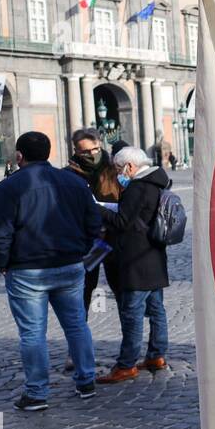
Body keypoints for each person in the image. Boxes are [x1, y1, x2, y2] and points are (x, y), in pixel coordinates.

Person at [0, 131, 103, 410]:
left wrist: (0, 262)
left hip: (27, 270)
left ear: (19, 156)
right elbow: (94, 223)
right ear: (49, 153)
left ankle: (37, 393)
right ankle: (86, 381)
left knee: (32, 333)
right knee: (76, 324)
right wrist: (80, 250)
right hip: (70, 265)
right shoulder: (75, 182)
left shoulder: (9, 187)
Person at [99, 147, 172, 383]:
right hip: (154, 255)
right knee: (156, 309)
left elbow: (122, 222)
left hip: (136, 259)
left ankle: (126, 364)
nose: (118, 174)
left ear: (130, 167)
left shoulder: (138, 187)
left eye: (119, 169)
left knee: (132, 313)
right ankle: (156, 355)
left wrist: (98, 209)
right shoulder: (158, 182)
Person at [65, 128, 122, 312]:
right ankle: (80, 339)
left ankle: (131, 340)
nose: (92, 155)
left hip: (114, 237)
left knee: (122, 291)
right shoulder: (68, 175)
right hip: (87, 241)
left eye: (95, 149)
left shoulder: (115, 169)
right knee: (83, 291)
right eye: (86, 152)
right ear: (76, 151)